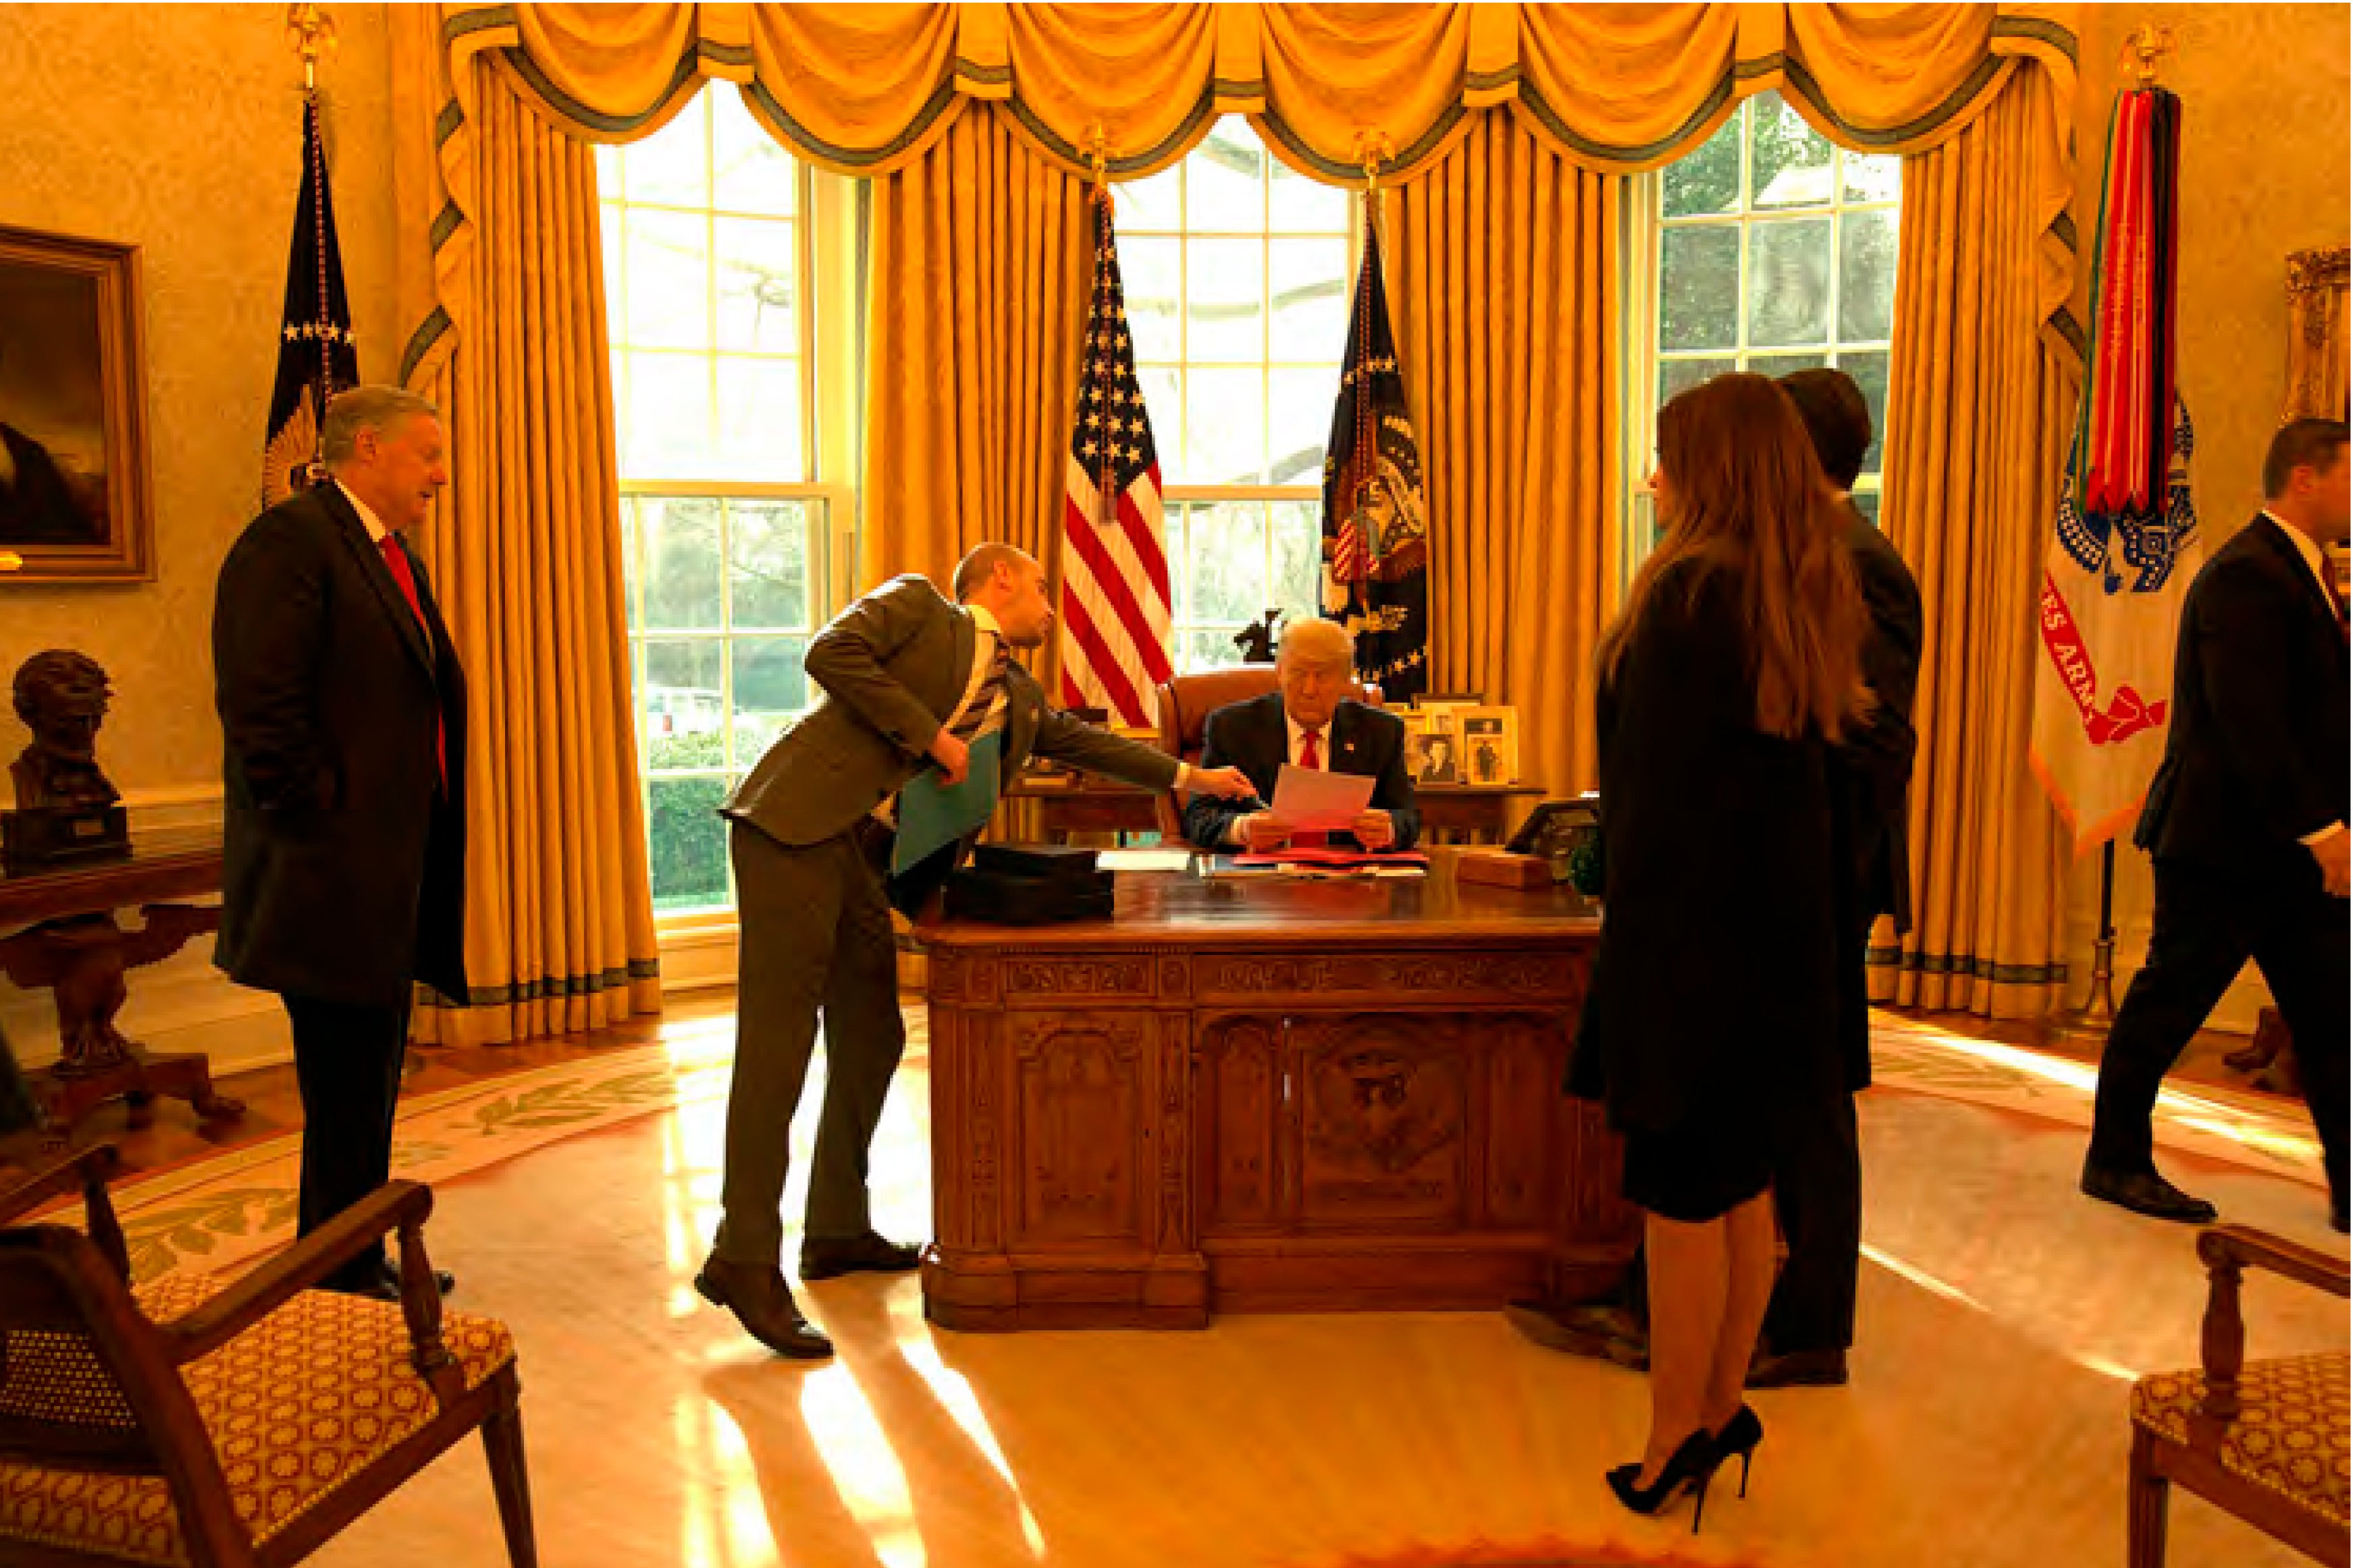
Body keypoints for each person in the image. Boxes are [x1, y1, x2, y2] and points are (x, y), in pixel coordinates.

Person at [702, 543, 1252, 1359]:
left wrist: (1192, 780)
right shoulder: (920, 608)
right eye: (1040, 589)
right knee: (777, 1050)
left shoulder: (1020, 698)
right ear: (999, 579)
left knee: (873, 1034)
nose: (1050, 608)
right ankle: (743, 1255)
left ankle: (835, 1225)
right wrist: (934, 737)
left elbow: (1087, 746)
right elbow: (830, 652)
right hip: (793, 826)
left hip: (861, 859)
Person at [1568, 373, 1863, 1525]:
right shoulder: (1794, 588)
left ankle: (1670, 1437)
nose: (1651, 476)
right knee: (1746, 1196)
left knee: (1683, 1207)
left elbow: (1654, 816)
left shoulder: (1687, 598)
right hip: (1776, 951)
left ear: (1708, 470)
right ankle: (1723, 1403)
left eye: (1663, 454)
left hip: (1686, 952)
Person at [213, 385, 467, 1301]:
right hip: (327, 877)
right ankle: (339, 1266)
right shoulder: (291, 541)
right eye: (428, 454)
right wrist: (325, 824)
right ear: (368, 449)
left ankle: (346, 1253)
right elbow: (261, 709)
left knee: (365, 1088)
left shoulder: (391, 554)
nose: (442, 473)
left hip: (387, 873)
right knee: (343, 1089)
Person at [2084, 417, 2350, 1232]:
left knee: (2334, 1012)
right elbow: (2248, 722)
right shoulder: (2245, 574)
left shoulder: (2303, 573)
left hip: (2283, 852)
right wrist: (2321, 831)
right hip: (2222, 848)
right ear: (2304, 478)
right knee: (2167, 1003)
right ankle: (2114, 1158)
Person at [1752, 367, 1923, 1387]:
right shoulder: (1805, 553)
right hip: (1783, 870)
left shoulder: (1860, 563)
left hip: (1818, 876)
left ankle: (1817, 1325)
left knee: (1813, 1099)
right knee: (1775, 1092)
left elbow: (1870, 740)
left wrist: (1810, 871)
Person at [1180, 617, 1419, 853]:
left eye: (1323, 676)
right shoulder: (1233, 728)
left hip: (1347, 880)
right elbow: (1198, 817)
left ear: (1346, 680)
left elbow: (1408, 817)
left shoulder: (1381, 732)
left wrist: (1388, 828)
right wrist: (1241, 829)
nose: (1309, 690)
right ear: (1280, 671)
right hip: (1262, 882)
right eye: (1298, 673)